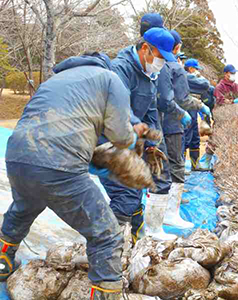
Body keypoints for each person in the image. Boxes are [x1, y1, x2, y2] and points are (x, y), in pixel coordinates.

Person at [0, 52, 140, 300]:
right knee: (106, 234)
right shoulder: (110, 78)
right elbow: (120, 136)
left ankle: (2, 263)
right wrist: (135, 139)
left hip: (17, 155)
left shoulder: (55, 80)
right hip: (58, 164)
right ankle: (105, 294)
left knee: (24, 207)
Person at [98, 26, 179, 245]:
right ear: (146, 48)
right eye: (160, 58)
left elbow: (152, 113)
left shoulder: (149, 74)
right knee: (125, 196)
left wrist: (153, 146)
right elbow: (118, 110)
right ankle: (106, 248)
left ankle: (133, 241)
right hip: (109, 140)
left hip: (132, 144)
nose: (161, 64)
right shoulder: (120, 70)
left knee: (134, 194)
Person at [157, 30, 210, 228]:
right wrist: (197, 107)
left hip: (161, 123)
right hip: (171, 124)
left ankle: (163, 211)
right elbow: (179, 99)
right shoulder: (172, 67)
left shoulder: (158, 66)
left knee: (161, 167)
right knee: (175, 166)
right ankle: (170, 213)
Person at [183, 58, 211, 171]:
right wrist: (199, 77)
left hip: (194, 107)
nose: (197, 72)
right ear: (190, 68)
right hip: (187, 107)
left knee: (195, 136)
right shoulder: (186, 76)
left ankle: (195, 164)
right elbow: (205, 84)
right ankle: (182, 165)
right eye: (195, 69)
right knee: (186, 136)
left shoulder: (190, 76)